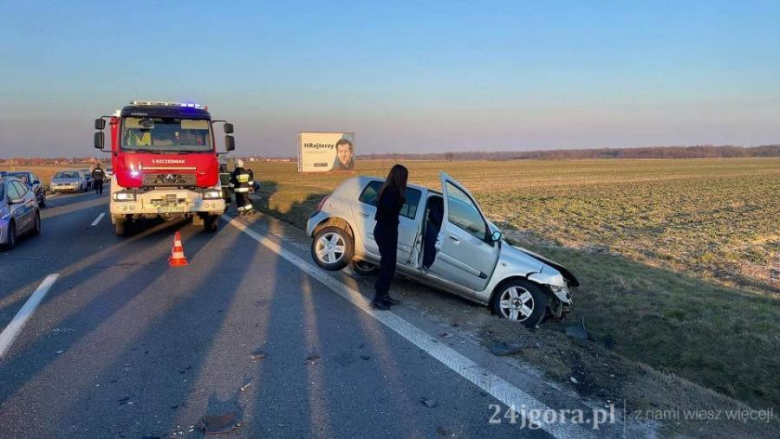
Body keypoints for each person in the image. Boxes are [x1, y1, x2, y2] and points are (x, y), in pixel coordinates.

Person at [371, 164, 408, 310]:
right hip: (386, 230)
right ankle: (378, 298)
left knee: (389, 265)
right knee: (387, 265)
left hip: (386, 230)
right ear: (400, 177)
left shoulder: (388, 189)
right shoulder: (392, 191)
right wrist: (400, 201)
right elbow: (388, 209)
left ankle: (384, 294)